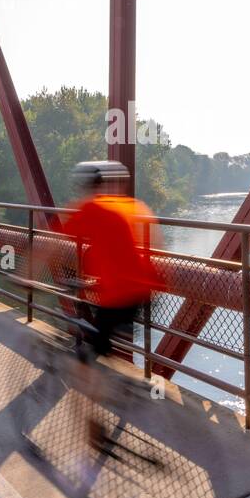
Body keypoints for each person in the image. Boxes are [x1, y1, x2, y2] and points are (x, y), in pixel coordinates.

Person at [59, 160, 163, 450]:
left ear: (84, 187)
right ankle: (126, 390)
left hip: (117, 297)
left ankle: (96, 429)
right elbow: (147, 246)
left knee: (85, 362)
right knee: (109, 346)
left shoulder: (89, 209)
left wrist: (25, 277)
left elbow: (51, 246)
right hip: (145, 294)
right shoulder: (133, 206)